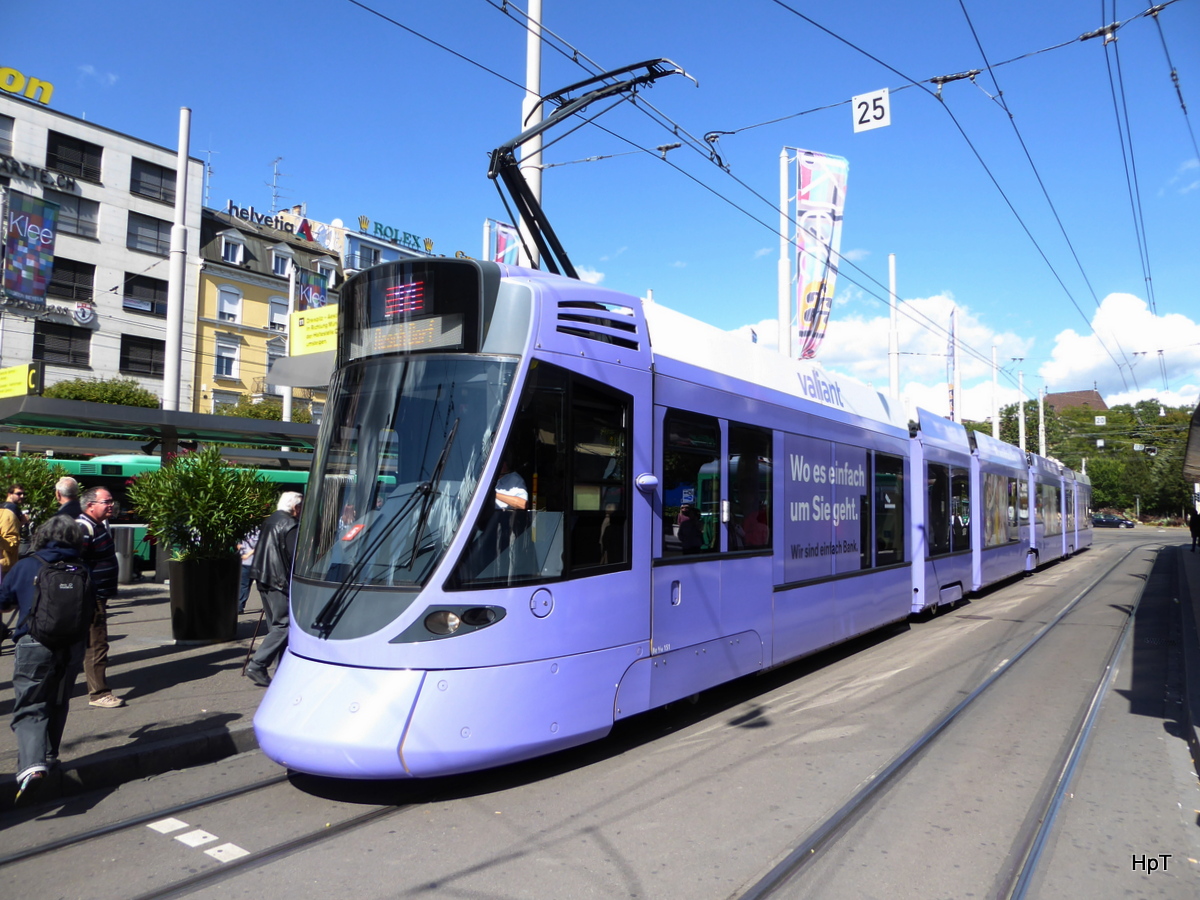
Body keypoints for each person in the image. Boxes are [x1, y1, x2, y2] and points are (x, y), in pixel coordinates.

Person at [1, 516, 90, 800]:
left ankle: (32, 766)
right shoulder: (83, 568)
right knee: (59, 701)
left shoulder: (28, 565)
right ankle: (49, 756)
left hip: (34, 644)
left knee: (30, 704)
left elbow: (3, 601)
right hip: (73, 646)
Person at [246, 491, 302, 687]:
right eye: (300, 507)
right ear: (295, 508)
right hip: (278, 579)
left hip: (263, 576)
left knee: (275, 626)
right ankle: (257, 664)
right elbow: (295, 557)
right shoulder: (290, 524)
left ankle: (281, 670)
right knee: (284, 625)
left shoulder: (271, 520)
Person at [77, 486, 124, 709]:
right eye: (106, 501)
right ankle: (99, 694)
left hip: (98, 595)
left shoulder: (97, 525)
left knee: (94, 643)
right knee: (97, 644)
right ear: (90, 505)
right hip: (91, 595)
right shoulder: (84, 527)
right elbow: (78, 563)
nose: (111, 505)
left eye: (111, 501)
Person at [236, 527, 259, 614]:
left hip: (254, 562)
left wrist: (247, 554)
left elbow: (260, 544)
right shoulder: (244, 529)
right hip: (245, 562)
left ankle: (239, 607)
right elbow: (238, 544)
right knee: (243, 585)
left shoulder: (257, 530)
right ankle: (239, 607)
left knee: (245, 585)